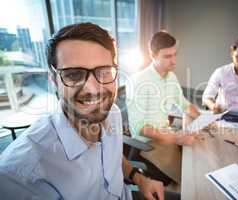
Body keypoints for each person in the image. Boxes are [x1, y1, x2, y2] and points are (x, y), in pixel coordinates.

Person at [0, 23, 165, 200]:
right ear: (54, 80)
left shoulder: (113, 113)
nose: (94, 89)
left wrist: (140, 179)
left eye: (104, 71)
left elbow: (114, 156)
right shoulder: (20, 175)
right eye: (73, 74)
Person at [126, 31, 201, 186]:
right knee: (190, 178)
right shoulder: (137, 82)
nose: (174, 61)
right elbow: (140, 128)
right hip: (148, 144)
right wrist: (176, 137)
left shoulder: (171, 77)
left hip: (167, 135)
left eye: (175, 55)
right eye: (167, 56)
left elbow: (183, 103)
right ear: (152, 55)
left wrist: (202, 117)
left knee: (197, 157)